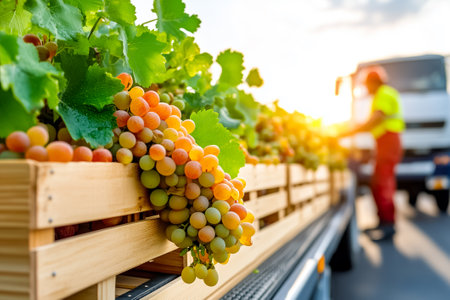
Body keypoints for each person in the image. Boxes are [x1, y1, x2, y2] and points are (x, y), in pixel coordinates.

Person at [339, 67, 405, 240]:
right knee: (378, 182)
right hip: (385, 143)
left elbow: (375, 120)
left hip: (388, 142)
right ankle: (383, 222)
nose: (366, 88)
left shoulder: (384, 93)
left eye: (367, 84)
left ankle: (388, 225)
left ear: (373, 82)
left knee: (383, 183)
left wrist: (348, 133)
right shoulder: (383, 94)